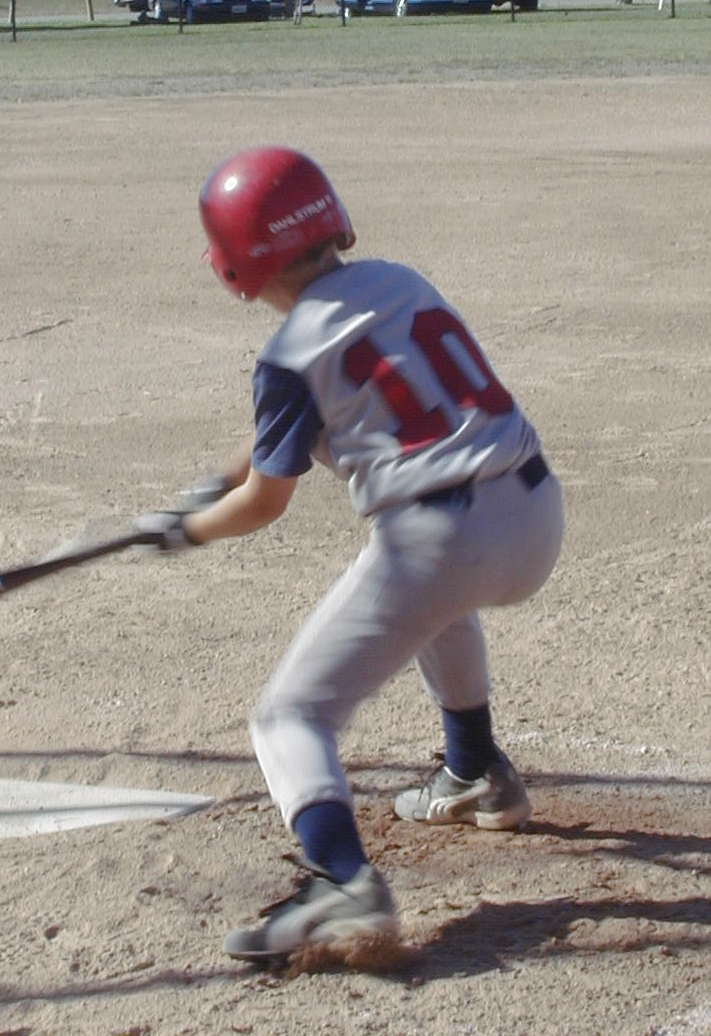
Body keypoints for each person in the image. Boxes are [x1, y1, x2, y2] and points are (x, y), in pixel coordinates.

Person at [135, 145, 564, 963]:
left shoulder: (288, 354)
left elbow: (265, 501)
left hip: (441, 542)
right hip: (535, 511)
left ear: (234, 267)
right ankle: (475, 771)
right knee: (440, 607)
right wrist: (208, 485)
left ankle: (340, 881)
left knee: (288, 717)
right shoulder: (400, 283)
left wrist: (187, 531)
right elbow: (293, 432)